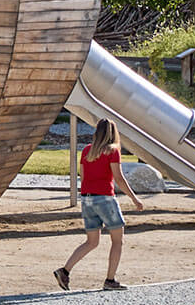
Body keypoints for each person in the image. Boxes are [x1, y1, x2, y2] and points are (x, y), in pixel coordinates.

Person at [57, 118, 145, 291]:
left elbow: (83, 176)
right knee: (118, 241)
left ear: (97, 132)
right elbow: (118, 178)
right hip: (105, 199)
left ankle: (65, 271)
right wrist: (135, 199)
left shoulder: (87, 151)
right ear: (113, 133)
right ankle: (110, 280)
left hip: (87, 199)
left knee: (91, 242)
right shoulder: (113, 151)